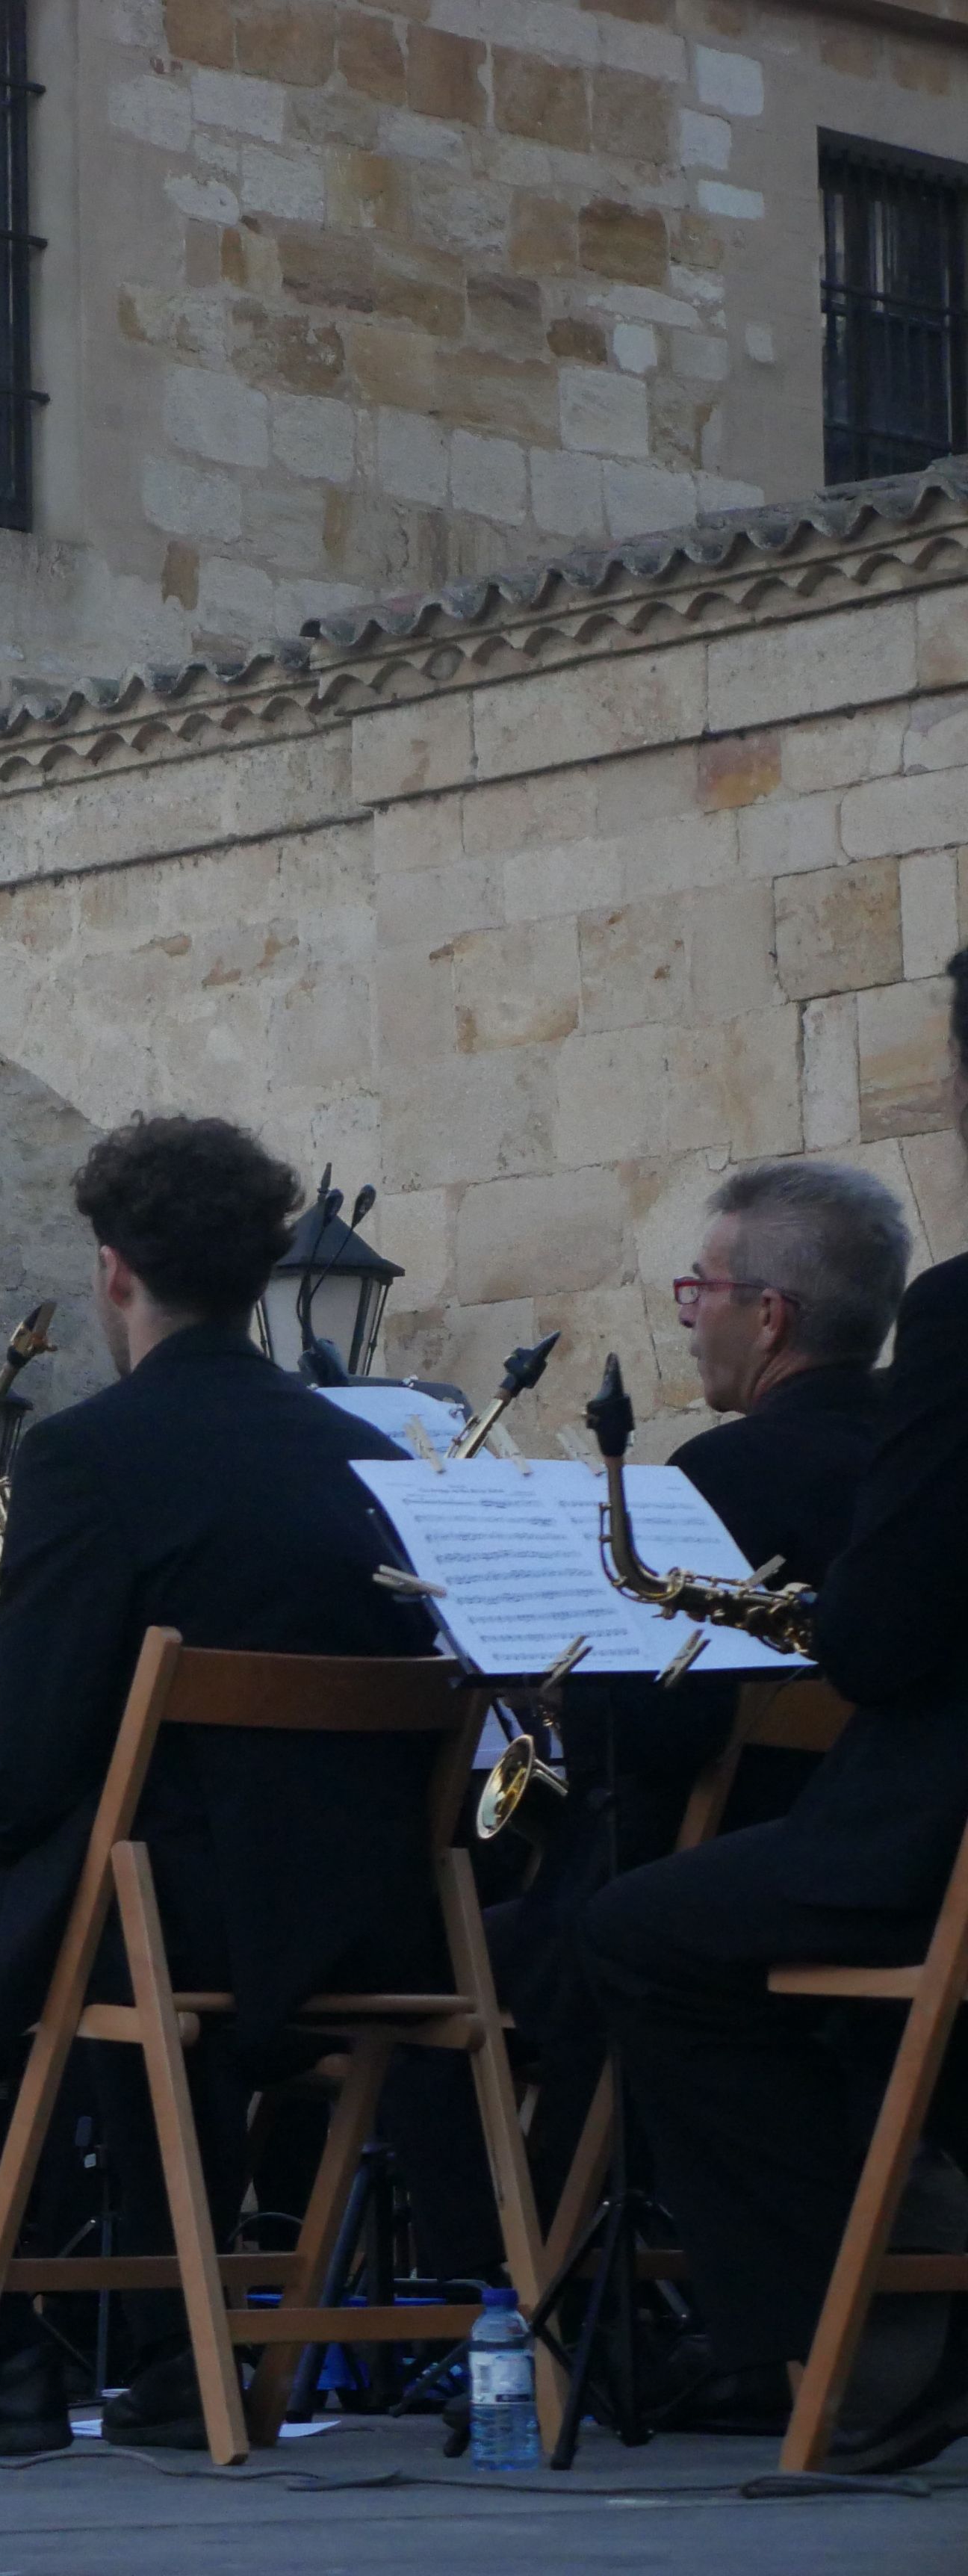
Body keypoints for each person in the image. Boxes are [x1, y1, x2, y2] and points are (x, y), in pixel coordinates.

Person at [0, 1116, 435, 2453]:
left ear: (112, 1271)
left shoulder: (86, 1453)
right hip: (377, 1912)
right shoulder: (369, 1452)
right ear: (257, 1273)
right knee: (118, 1959)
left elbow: (38, 1754)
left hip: (175, 1919)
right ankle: (167, 2358)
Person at [389, 1158, 910, 2355]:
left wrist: (541, 1690)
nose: (688, 1316)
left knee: (440, 1991)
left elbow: (659, 1734)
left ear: (767, 1315)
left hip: (729, 1877)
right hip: (889, 1858)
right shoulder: (915, 1450)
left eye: (696, 1289)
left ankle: (546, 2311)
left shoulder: (722, 1481)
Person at [585, 953, 968, 2473]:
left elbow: (878, 1643)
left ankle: (861, 2318)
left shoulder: (956, 1321)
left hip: (930, 1829)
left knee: (631, 1932)